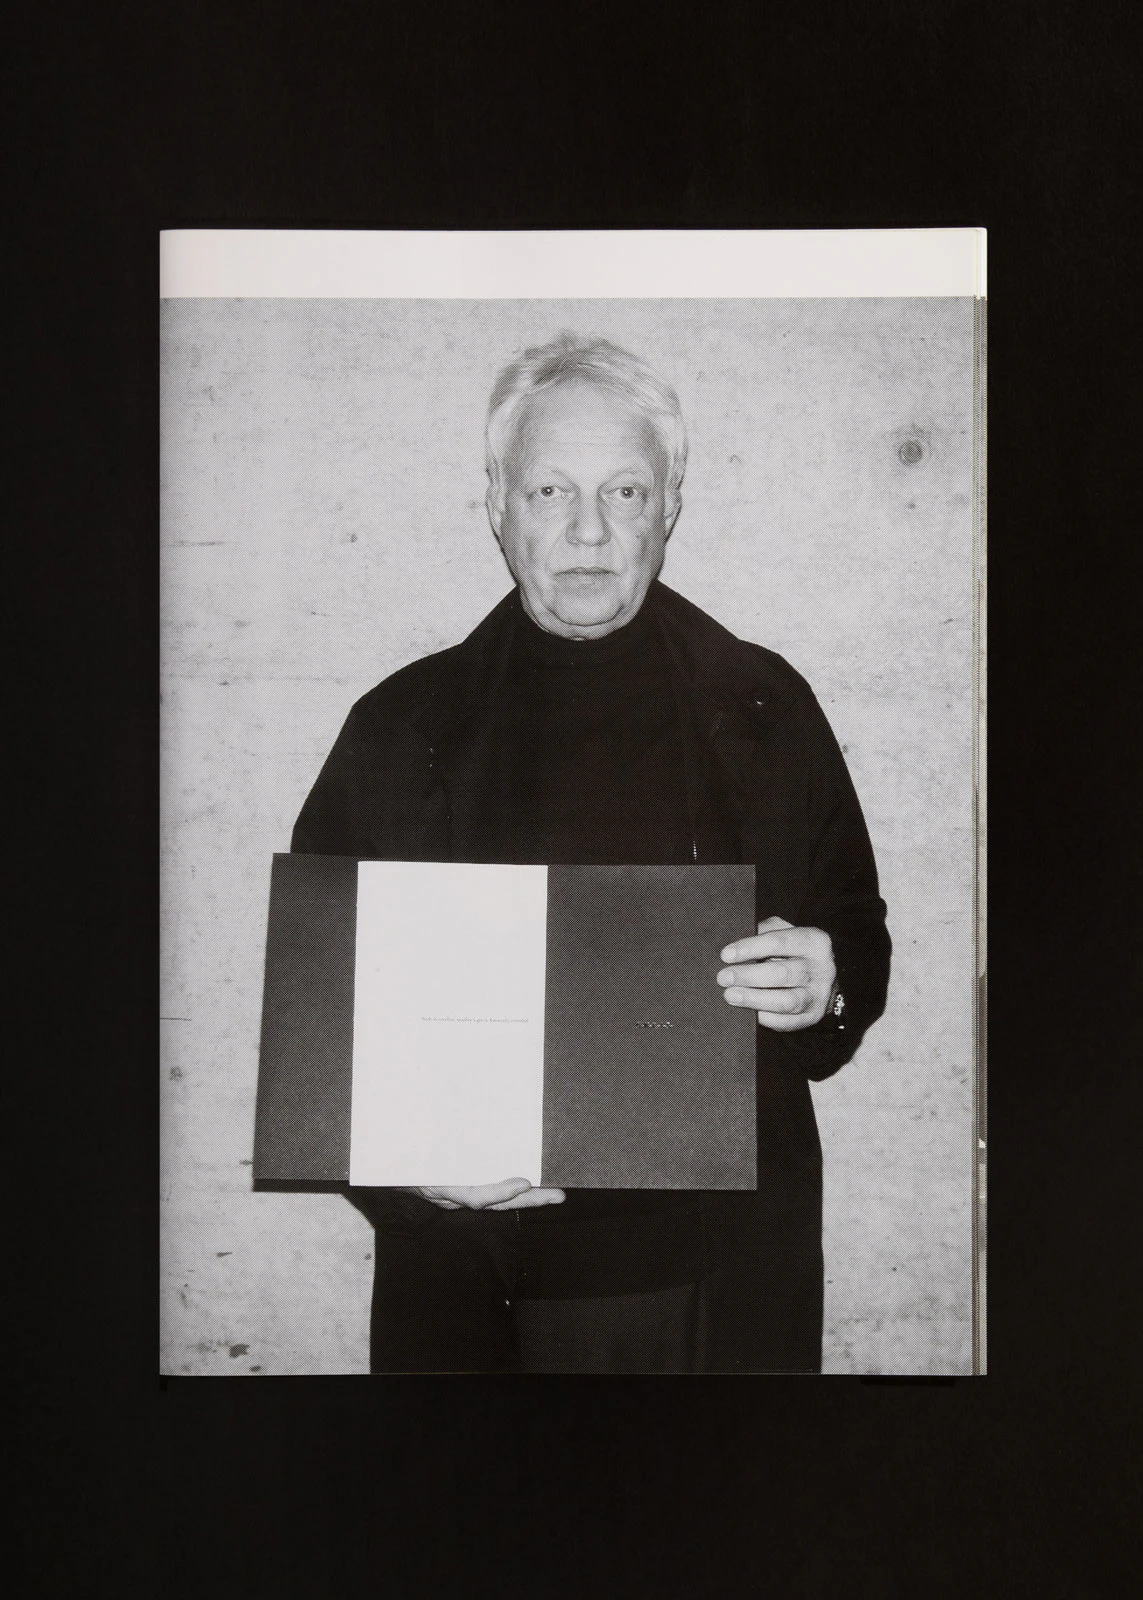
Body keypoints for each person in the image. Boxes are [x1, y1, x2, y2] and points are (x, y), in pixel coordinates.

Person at [292, 332, 891, 1373]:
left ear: (670, 506)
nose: (586, 530)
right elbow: (315, 1017)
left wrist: (824, 982)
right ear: (497, 503)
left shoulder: (764, 706)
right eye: (549, 491)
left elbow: (856, 937)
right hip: (475, 1284)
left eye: (623, 491)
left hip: (720, 1284)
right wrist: (401, 1169)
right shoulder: (400, 728)